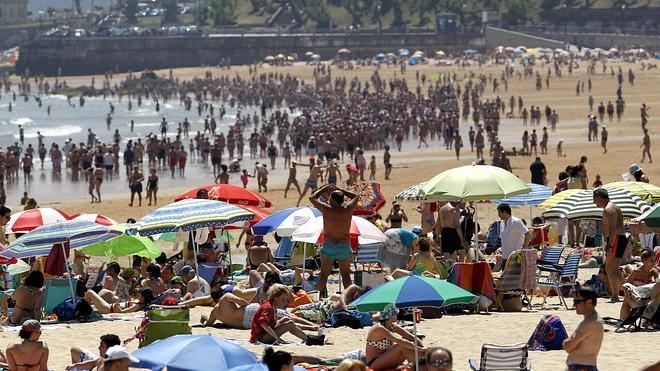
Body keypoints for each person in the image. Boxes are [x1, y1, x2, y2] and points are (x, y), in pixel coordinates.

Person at [309, 184, 359, 296]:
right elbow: (356, 197)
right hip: (344, 245)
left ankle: (316, 299)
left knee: (324, 275)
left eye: (330, 197)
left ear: (333, 200)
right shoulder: (348, 209)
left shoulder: (327, 209)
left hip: (329, 245)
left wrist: (324, 188)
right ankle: (351, 299)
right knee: (346, 275)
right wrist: (341, 190)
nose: (328, 199)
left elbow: (312, 198)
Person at [365, 304, 425, 370]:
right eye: (395, 314)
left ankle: (422, 363)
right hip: (374, 363)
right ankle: (420, 366)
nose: (397, 316)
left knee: (408, 345)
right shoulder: (379, 328)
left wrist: (423, 348)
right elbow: (400, 341)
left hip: (387, 359)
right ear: (391, 316)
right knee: (400, 346)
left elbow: (411, 337)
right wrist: (419, 349)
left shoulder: (393, 326)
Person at [593, 188, 626, 302]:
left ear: (600, 197)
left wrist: (610, 245)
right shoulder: (614, 207)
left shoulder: (609, 210)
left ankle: (615, 295)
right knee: (613, 269)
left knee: (610, 268)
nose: (594, 202)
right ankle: (628, 292)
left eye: (595, 199)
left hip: (615, 239)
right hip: (618, 238)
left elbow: (612, 230)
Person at [563, 287, 603, 371]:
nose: (574, 305)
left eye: (577, 302)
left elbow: (568, 346)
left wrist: (565, 342)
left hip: (581, 367)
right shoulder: (594, 320)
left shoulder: (589, 323)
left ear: (589, 302)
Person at [620, 249, 658, 319]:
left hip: (647, 300)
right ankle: (624, 320)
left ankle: (624, 320)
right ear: (644, 260)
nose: (654, 262)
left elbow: (656, 285)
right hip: (636, 300)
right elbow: (626, 286)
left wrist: (656, 275)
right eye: (651, 260)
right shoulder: (636, 272)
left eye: (655, 260)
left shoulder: (653, 272)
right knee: (626, 298)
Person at [84, 287, 154, 314]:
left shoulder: (138, 306)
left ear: (143, 297)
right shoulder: (138, 302)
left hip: (108, 309)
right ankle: (85, 310)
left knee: (90, 292)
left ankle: (84, 311)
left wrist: (116, 302)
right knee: (90, 296)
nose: (138, 295)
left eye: (140, 294)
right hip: (109, 306)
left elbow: (121, 312)